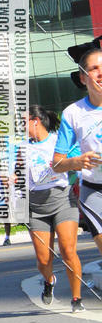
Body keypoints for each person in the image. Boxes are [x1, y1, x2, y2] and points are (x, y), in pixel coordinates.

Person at [54, 47, 102, 298]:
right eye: (94, 68)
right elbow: (57, 163)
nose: (100, 73)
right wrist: (77, 161)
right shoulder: (73, 114)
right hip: (94, 192)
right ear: (83, 77)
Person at [27, 105, 83, 310]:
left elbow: (78, 161)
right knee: (43, 260)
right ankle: (49, 280)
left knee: (68, 250)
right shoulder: (19, 148)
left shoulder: (59, 141)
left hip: (62, 200)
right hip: (36, 206)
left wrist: (74, 164)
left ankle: (76, 298)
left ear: (35, 121)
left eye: (23, 121)